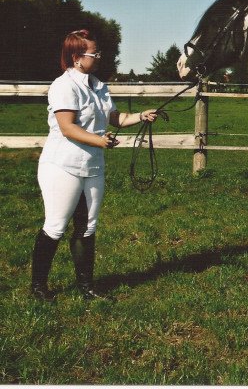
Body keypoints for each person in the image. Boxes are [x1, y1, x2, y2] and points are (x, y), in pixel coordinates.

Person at [31, 29, 157, 302]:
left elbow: (116, 118)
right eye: (94, 53)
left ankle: (87, 287)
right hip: (62, 166)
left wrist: (140, 116)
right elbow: (67, 127)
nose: (99, 57)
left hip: (93, 167)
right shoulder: (64, 86)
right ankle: (38, 287)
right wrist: (99, 141)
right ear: (77, 58)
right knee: (56, 226)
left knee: (88, 227)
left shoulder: (99, 85)